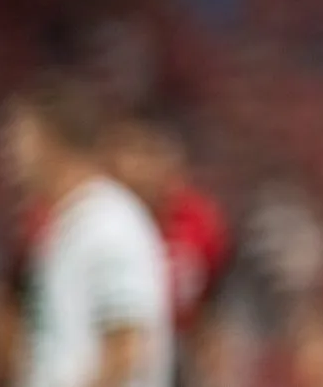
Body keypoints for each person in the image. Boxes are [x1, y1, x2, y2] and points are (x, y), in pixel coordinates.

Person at [2, 72, 173, 387]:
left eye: (20, 138)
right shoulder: (74, 224)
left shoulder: (108, 224)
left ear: (49, 140)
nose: (11, 155)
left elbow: (127, 349)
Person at [99, 113, 233, 385]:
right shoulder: (96, 223)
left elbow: (213, 303)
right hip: (107, 351)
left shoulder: (199, 222)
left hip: (178, 356)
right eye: (132, 153)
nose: (140, 168)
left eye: (150, 154)